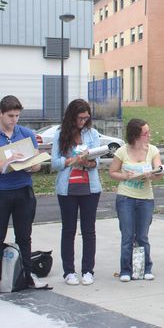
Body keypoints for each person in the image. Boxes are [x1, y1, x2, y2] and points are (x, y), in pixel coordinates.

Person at [51, 99, 102, 286]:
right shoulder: (60, 134)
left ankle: (88, 270)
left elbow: (98, 162)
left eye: (86, 118)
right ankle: (69, 271)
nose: (83, 121)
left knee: (89, 230)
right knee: (69, 230)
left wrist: (88, 162)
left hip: (90, 188)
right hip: (68, 189)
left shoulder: (92, 133)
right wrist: (72, 160)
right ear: (72, 116)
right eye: (80, 118)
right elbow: (55, 162)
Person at [0, 95, 47, 289]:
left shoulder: (26, 133)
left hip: (23, 190)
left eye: (17, 116)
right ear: (1, 114)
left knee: (24, 235)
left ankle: (27, 275)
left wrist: (29, 165)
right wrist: (7, 163)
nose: (14, 120)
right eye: (10, 115)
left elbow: (36, 165)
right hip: (2, 191)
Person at [109, 118, 162, 282]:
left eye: (148, 132)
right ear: (135, 135)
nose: (149, 135)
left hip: (145, 198)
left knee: (142, 236)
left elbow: (159, 172)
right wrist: (125, 176)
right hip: (126, 197)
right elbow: (112, 172)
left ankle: (146, 267)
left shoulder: (152, 150)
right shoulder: (123, 151)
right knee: (127, 235)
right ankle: (126, 269)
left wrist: (153, 174)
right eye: (145, 133)